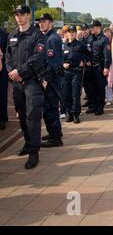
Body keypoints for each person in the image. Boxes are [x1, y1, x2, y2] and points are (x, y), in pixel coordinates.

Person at [5, 5, 47, 169]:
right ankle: (28, 143)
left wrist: (20, 71)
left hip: (32, 82)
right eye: (16, 15)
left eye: (22, 14)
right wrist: (12, 73)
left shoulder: (37, 35)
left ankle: (34, 152)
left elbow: (38, 58)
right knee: (22, 115)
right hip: (17, 83)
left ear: (28, 15)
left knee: (32, 117)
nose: (19, 17)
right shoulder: (12, 35)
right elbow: (8, 57)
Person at [38, 13, 64, 148]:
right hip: (50, 78)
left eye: (44, 21)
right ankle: (53, 132)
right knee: (48, 107)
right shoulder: (47, 37)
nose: (41, 24)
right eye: (40, 22)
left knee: (51, 108)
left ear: (51, 23)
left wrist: (45, 80)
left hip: (52, 79)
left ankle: (56, 138)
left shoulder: (52, 39)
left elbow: (52, 63)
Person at [62, 26, 90, 124]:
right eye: (69, 32)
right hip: (66, 73)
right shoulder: (62, 45)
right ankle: (69, 113)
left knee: (75, 94)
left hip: (76, 72)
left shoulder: (80, 45)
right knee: (66, 94)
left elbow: (88, 54)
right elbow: (57, 58)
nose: (72, 34)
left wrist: (84, 60)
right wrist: (62, 64)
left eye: (73, 32)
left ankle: (75, 114)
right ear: (66, 34)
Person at [86, 20, 111, 115]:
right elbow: (86, 51)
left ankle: (100, 107)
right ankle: (94, 106)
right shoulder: (89, 38)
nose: (91, 29)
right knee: (91, 88)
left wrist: (106, 67)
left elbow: (107, 55)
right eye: (90, 27)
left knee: (100, 88)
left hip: (99, 66)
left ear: (98, 27)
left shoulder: (104, 39)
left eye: (93, 27)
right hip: (90, 67)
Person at [103, 27, 113, 106]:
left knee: (112, 81)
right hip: (105, 64)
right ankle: (108, 98)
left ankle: (112, 97)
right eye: (105, 32)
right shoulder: (103, 41)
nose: (107, 33)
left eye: (108, 32)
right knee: (107, 82)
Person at [0, 27, 8, 130]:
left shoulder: (4, 35)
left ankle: (2, 118)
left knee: (2, 93)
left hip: (2, 70)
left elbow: (9, 52)